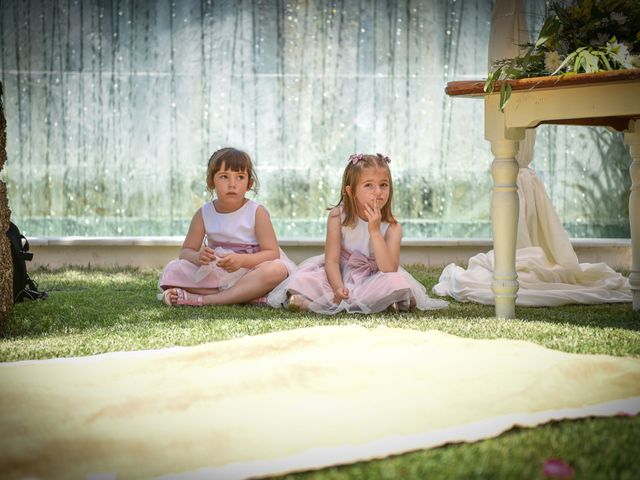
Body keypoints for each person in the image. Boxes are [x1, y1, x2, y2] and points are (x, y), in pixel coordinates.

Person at [267, 153, 448, 314]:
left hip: (374, 276)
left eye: (383, 185)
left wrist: (375, 231)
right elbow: (332, 260)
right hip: (339, 271)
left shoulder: (393, 227)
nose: (378, 192)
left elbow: (389, 269)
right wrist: (338, 287)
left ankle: (314, 304)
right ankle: (384, 304)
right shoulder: (338, 216)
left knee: (396, 282)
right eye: (369, 185)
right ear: (351, 191)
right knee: (301, 280)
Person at [160, 147, 295, 306]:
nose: (232, 184)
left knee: (276, 271)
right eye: (224, 176)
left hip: (251, 269)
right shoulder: (203, 214)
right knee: (174, 269)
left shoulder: (257, 212)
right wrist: (197, 257)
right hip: (218, 270)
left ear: (249, 184)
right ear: (211, 182)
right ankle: (249, 296)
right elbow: (185, 251)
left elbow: (272, 253)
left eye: (240, 177)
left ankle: (206, 299)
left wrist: (242, 260)